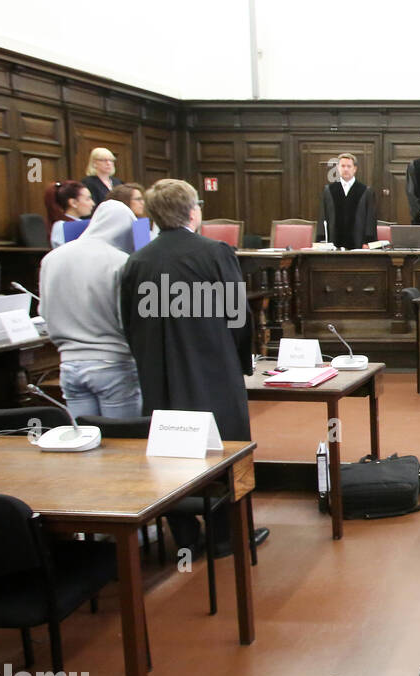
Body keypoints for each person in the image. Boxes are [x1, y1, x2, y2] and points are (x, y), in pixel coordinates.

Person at [120, 179, 266, 554]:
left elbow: (130, 323)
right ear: (192, 211)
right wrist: (239, 363)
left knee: (169, 452)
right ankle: (228, 535)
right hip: (213, 371)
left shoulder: (138, 261)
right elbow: (238, 316)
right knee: (227, 452)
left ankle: (183, 534)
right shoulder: (215, 252)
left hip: (159, 374)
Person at [38, 200, 141, 418]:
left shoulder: (52, 259)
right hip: (114, 363)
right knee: (120, 444)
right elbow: (128, 320)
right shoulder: (121, 262)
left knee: (85, 443)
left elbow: (43, 312)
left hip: (68, 364)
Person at [318, 153, 377, 249]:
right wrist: (321, 241)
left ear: (355, 169)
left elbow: (370, 220)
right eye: (343, 166)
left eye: (349, 166)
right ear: (337, 168)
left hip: (358, 243)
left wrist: (368, 242)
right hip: (333, 244)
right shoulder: (329, 190)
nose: (345, 169)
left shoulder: (365, 191)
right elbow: (323, 217)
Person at [45, 181, 94, 247]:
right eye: (88, 199)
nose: (93, 203)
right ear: (73, 203)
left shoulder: (81, 223)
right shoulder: (62, 226)